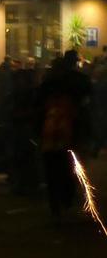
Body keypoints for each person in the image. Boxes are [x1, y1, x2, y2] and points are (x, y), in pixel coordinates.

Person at [37, 50, 92, 222]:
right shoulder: (79, 81)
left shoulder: (48, 83)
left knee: (53, 170)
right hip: (69, 133)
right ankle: (65, 199)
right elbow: (88, 105)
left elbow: (38, 107)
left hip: (51, 133)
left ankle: (56, 203)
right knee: (68, 168)